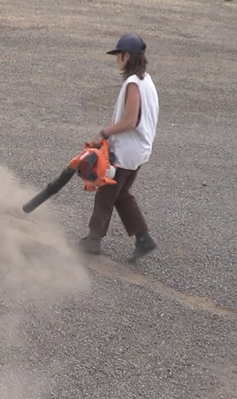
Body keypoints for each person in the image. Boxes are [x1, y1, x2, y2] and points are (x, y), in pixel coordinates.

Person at [80, 33, 160, 259]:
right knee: (121, 194)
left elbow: (130, 120)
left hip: (126, 151)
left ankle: (93, 241)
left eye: (118, 55)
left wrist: (103, 133)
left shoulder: (133, 83)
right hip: (139, 150)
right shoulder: (147, 80)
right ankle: (143, 238)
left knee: (105, 195)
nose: (117, 60)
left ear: (127, 56)